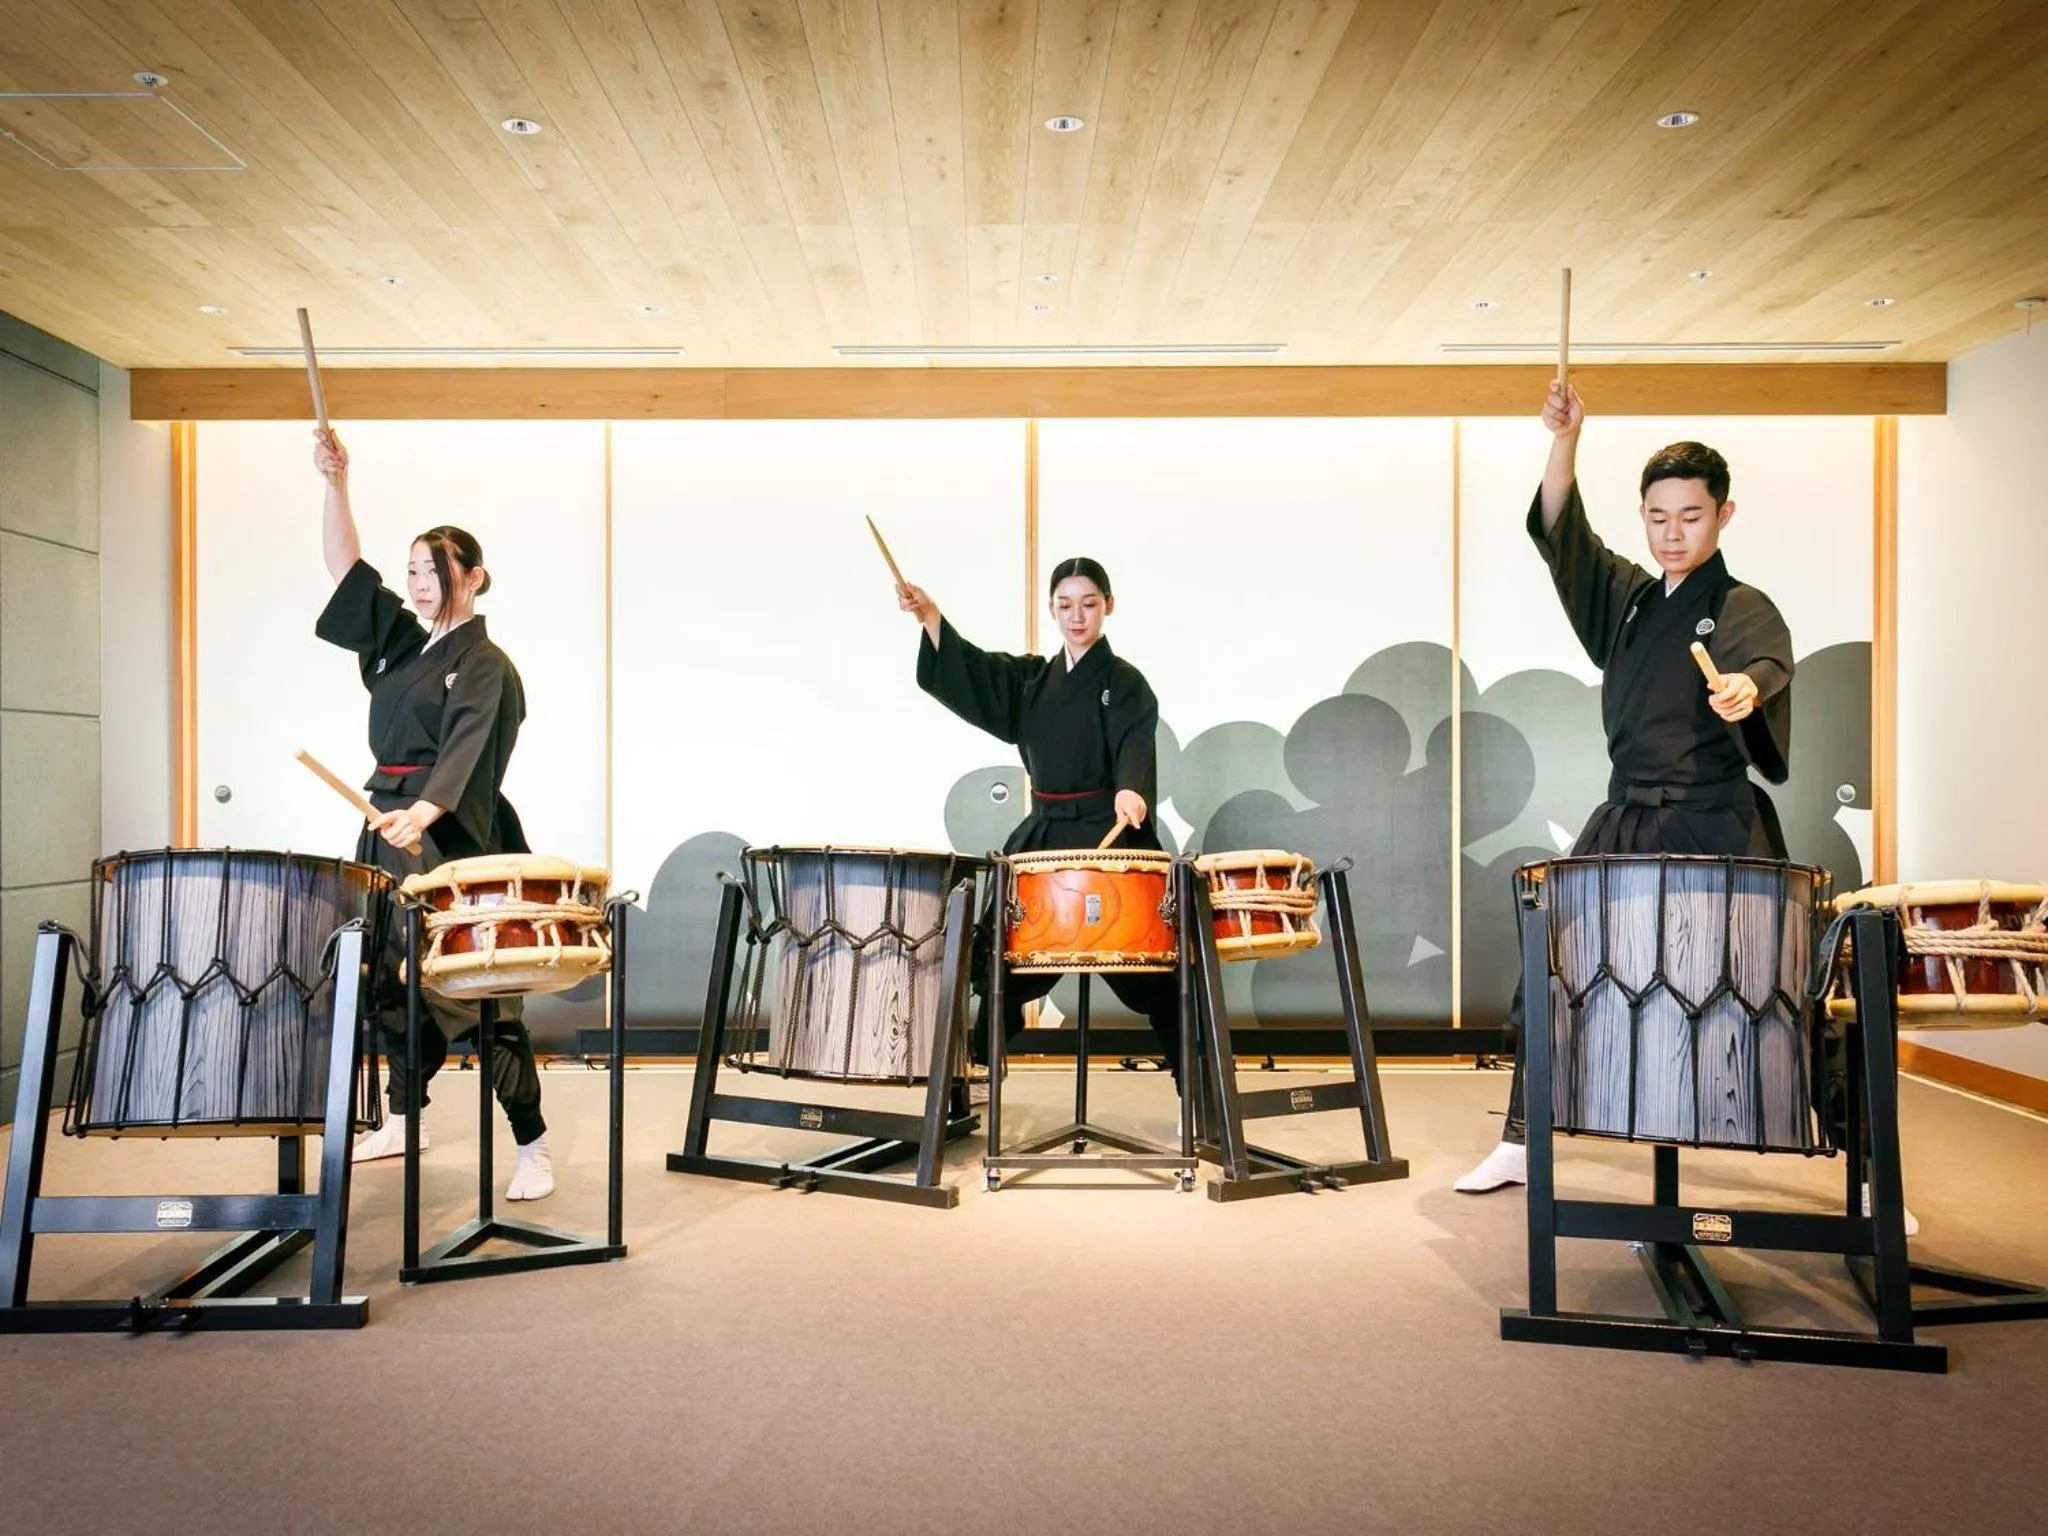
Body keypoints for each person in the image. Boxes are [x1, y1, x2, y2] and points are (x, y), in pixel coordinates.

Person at [1457, 382, 1799, 1194]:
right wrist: (1568, 438)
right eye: (1658, 517)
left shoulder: (1742, 605)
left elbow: (1765, 665)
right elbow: (1560, 531)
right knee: (1558, 969)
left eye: (1690, 516)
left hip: (1715, 820)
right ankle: (1521, 1138)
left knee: (1773, 993)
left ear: (1723, 516)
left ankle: (1862, 1170)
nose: (1672, 533)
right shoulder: (1634, 600)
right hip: (1629, 818)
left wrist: (1746, 691)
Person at [311, 429, 554, 1202]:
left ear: (474, 577)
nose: (418, 582)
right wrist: (336, 483)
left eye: (435, 570)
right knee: (388, 974)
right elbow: (346, 571)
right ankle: (402, 1115)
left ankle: (533, 1145)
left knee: (479, 985)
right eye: (413, 569)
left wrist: (425, 811)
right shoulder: (403, 646)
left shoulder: (487, 665)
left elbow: (471, 749)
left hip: (456, 833)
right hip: (387, 828)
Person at [899, 557, 1183, 1092]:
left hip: (1112, 835)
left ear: (1109, 606)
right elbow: (973, 670)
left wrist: (1131, 786)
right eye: (1065, 605)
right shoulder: (1032, 679)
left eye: (1089, 603)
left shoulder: (1123, 682)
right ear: (1052, 610)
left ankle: (1198, 1086)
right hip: (1046, 838)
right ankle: (976, 1077)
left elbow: (1134, 740)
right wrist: (932, 617)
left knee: (1153, 968)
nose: (1077, 616)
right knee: (1005, 960)